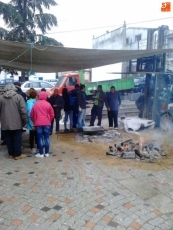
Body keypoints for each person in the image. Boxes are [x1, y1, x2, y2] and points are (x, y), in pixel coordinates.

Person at [0, 84, 27, 160]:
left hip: (5, 123)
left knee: (8, 139)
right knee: (17, 139)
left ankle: (11, 154)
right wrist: (25, 120)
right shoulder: (19, 97)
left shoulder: (1, 98)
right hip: (17, 123)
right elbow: (23, 111)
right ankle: (17, 154)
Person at [31, 92, 54, 158]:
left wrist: (35, 121)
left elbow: (31, 115)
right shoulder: (48, 104)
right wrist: (48, 120)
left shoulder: (35, 104)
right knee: (46, 138)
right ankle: (46, 153)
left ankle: (41, 153)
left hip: (38, 124)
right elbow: (52, 115)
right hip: (47, 123)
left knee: (40, 138)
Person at [26, 89, 38, 154]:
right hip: (33, 122)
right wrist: (32, 123)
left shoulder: (33, 101)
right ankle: (32, 148)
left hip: (34, 122)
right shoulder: (31, 103)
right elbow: (30, 114)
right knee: (32, 135)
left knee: (33, 135)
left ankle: (34, 147)